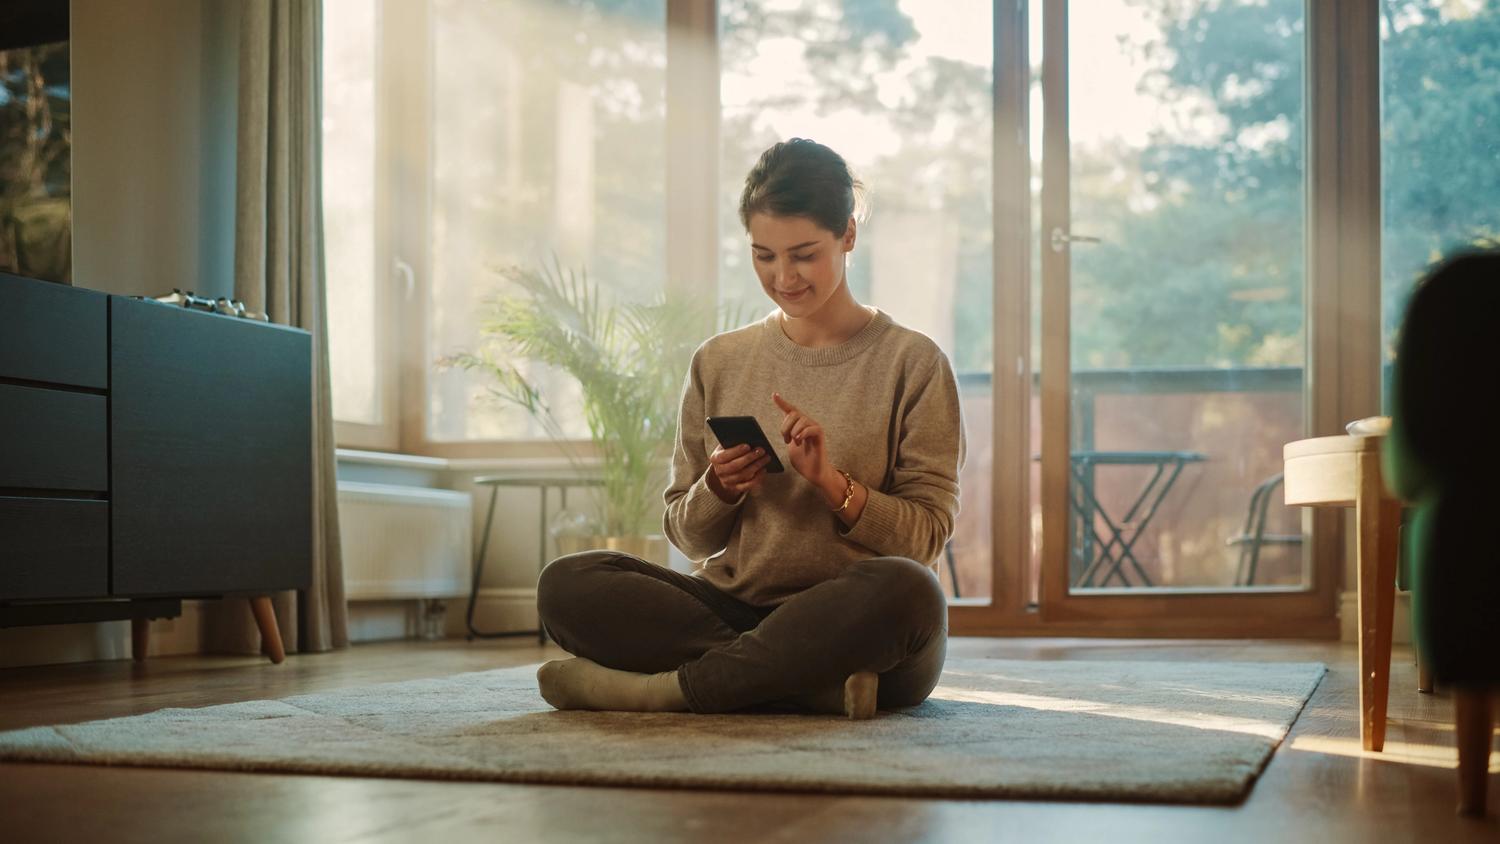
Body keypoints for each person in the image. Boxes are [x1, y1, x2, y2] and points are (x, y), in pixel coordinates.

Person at [534, 138, 966, 718]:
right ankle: (803, 683)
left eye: (804, 254)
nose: (783, 276)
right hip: (732, 607)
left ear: (848, 237)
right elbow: (689, 539)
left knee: (912, 594)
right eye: (764, 255)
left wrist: (832, 484)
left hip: (854, 616)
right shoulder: (719, 361)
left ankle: (669, 691)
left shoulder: (915, 363)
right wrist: (718, 489)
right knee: (568, 583)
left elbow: (926, 539)